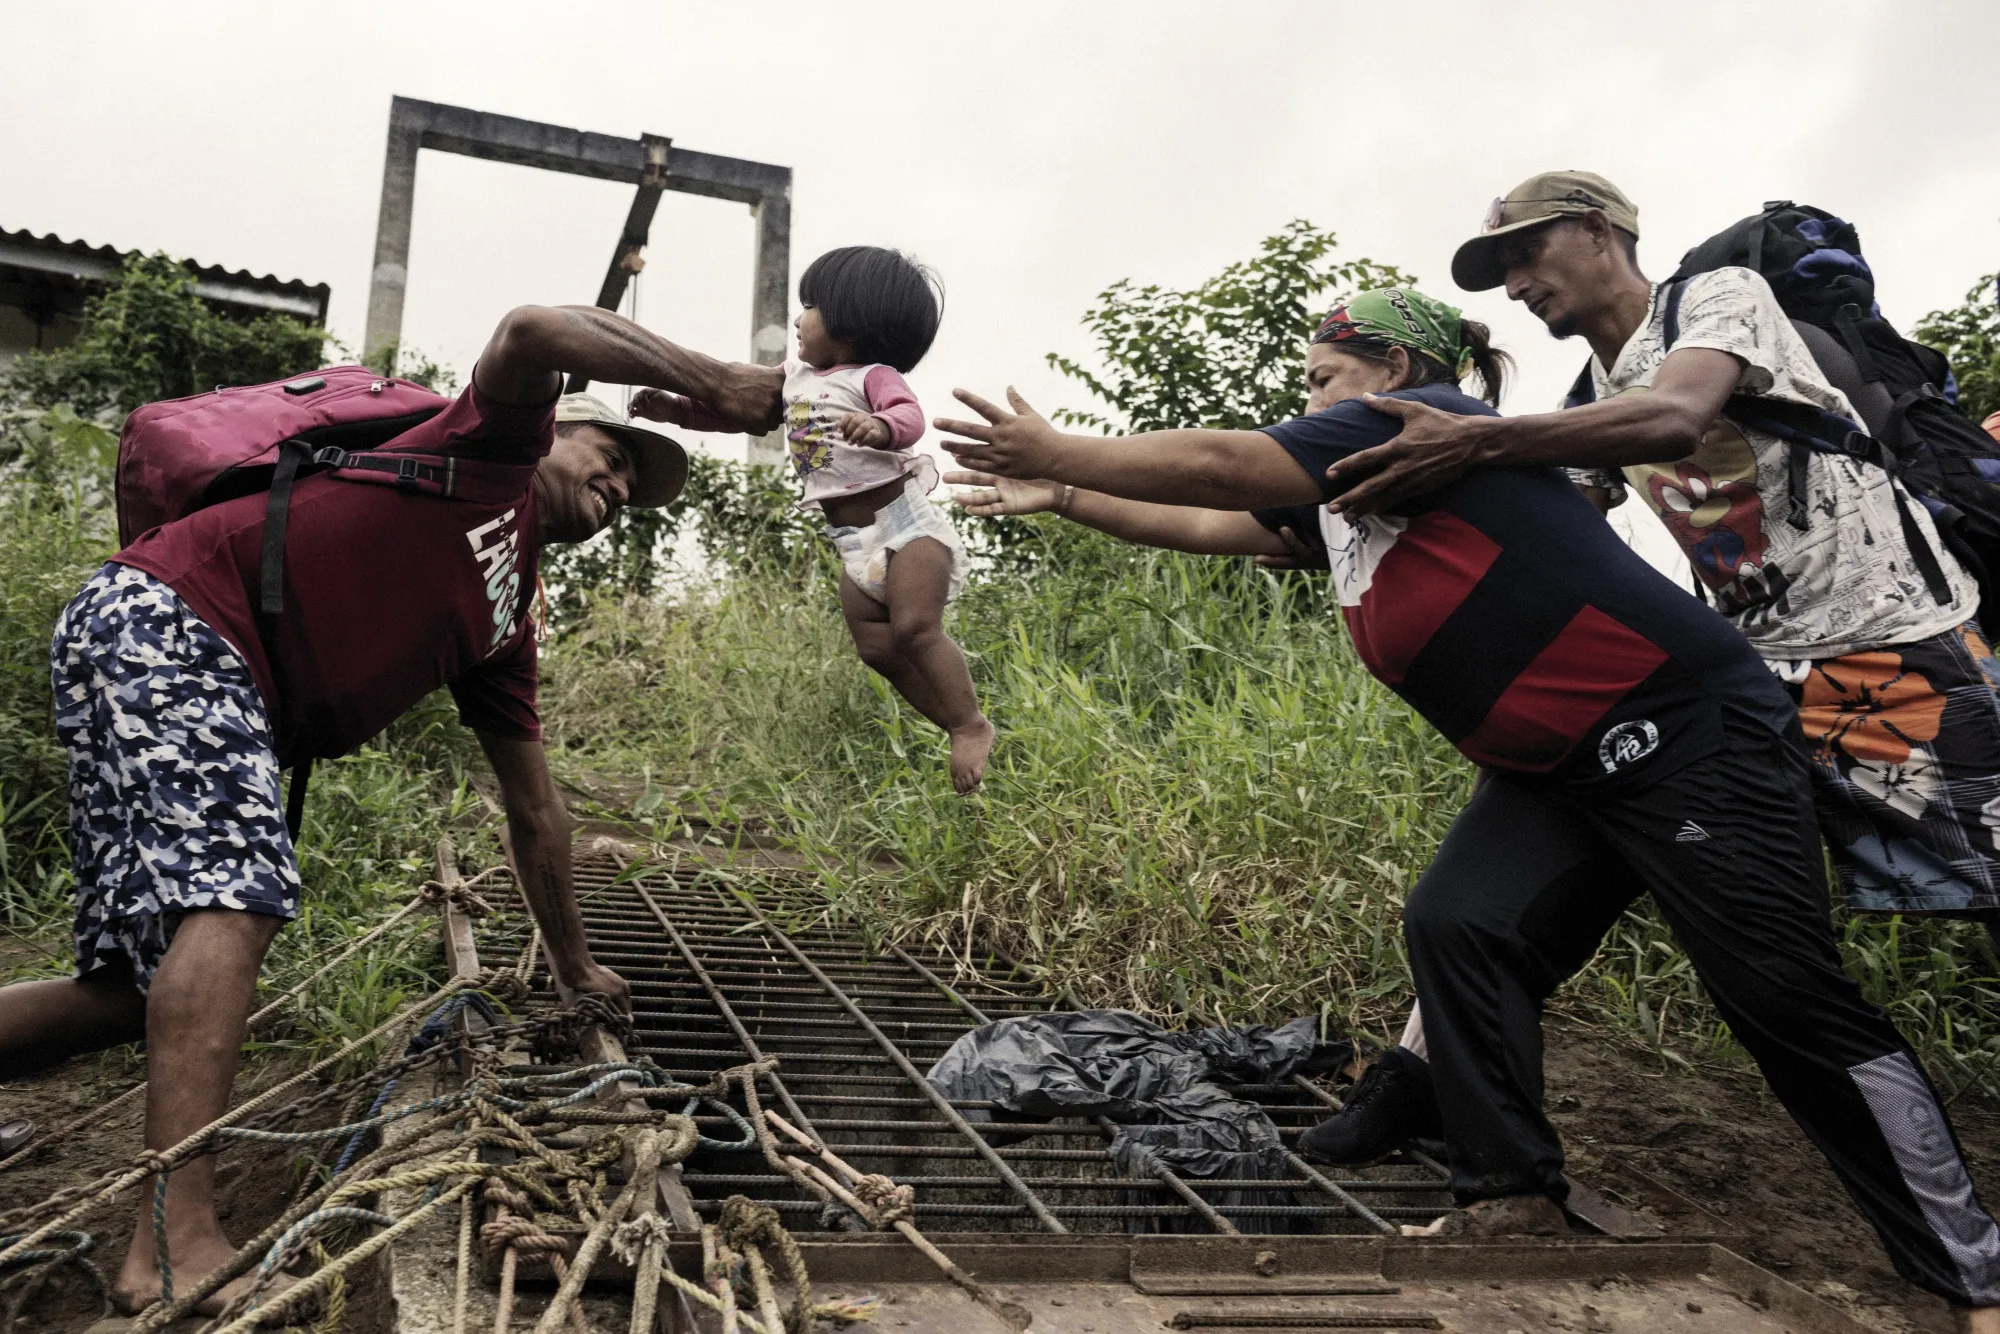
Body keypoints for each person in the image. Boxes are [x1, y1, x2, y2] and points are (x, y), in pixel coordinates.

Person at [941, 286, 2000, 1321]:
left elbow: (1225, 460)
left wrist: (1059, 449)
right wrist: (1070, 497)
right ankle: (1509, 1195)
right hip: (1560, 768)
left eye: (1318, 381)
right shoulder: (1360, 497)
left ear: (1389, 370)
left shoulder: (1425, 426)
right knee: (1460, 922)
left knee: (1785, 1003)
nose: (1305, 402)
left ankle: (1971, 1274)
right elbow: (1225, 520)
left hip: (1686, 735)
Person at [0, 302, 783, 1314]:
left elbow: (535, 809)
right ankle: (170, 1242)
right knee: (235, 897)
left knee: (127, 989)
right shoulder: (492, 447)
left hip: (171, 648)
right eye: (614, 453)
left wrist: (575, 962)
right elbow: (533, 328)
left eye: (635, 488)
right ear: (562, 424)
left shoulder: (504, 621)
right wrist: (715, 381)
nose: (621, 486)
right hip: (176, 620)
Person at [1307, 172, 2000, 1170]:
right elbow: (1551, 539)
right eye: (1498, 271)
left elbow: (1674, 417)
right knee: (1535, 861)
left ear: (1596, 229)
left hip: (1886, 654)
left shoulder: (1714, 298)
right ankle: (1409, 1086)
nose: (1514, 286)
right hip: (1741, 683)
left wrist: (1479, 440)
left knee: (1978, 893)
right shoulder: (1586, 398)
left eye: (1525, 253)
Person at [631, 245, 996, 793]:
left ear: (851, 321)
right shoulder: (792, 375)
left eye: (810, 305)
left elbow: (909, 416)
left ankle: (970, 723)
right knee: (875, 648)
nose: (798, 319)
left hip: (905, 527)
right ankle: (952, 723)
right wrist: (678, 410)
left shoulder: (874, 375)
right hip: (853, 543)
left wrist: (880, 428)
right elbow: (739, 409)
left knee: (916, 629)